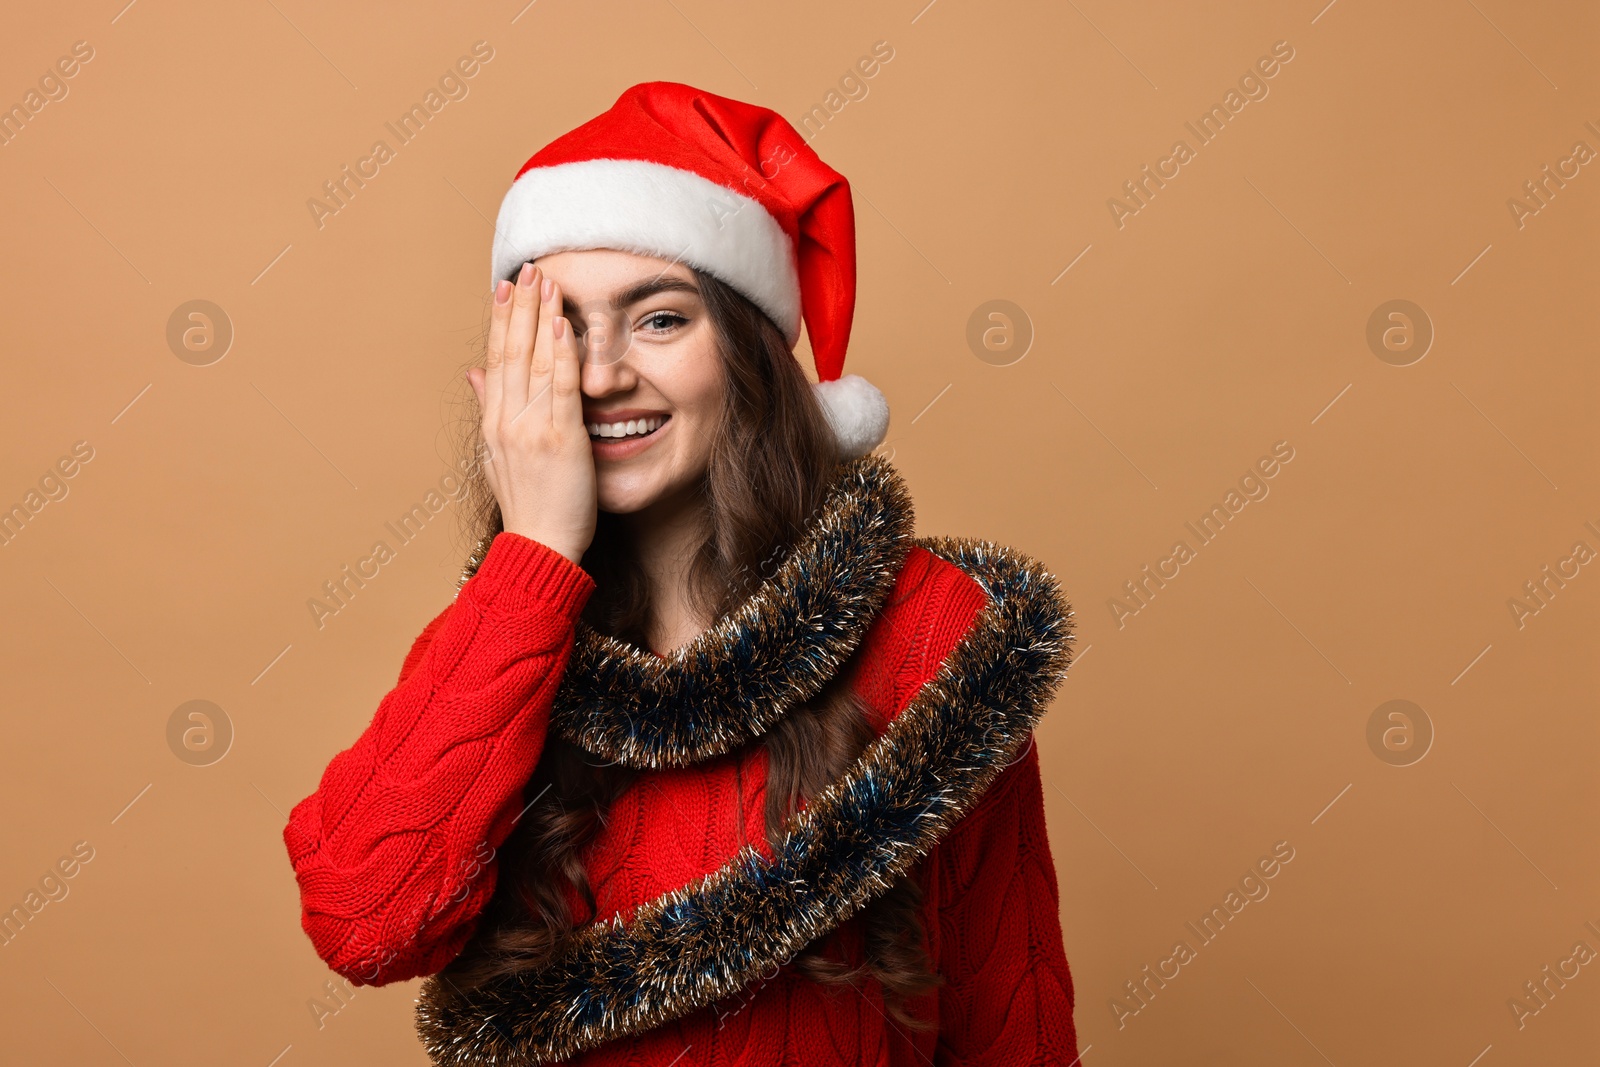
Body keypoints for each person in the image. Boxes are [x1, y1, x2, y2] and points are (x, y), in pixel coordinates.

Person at [281, 80, 1080, 1066]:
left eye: (659, 320)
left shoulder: (925, 627)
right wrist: (531, 555)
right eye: (564, 325)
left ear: (747, 353)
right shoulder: (500, 635)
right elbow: (365, 919)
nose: (605, 371)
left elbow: (1011, 1019)